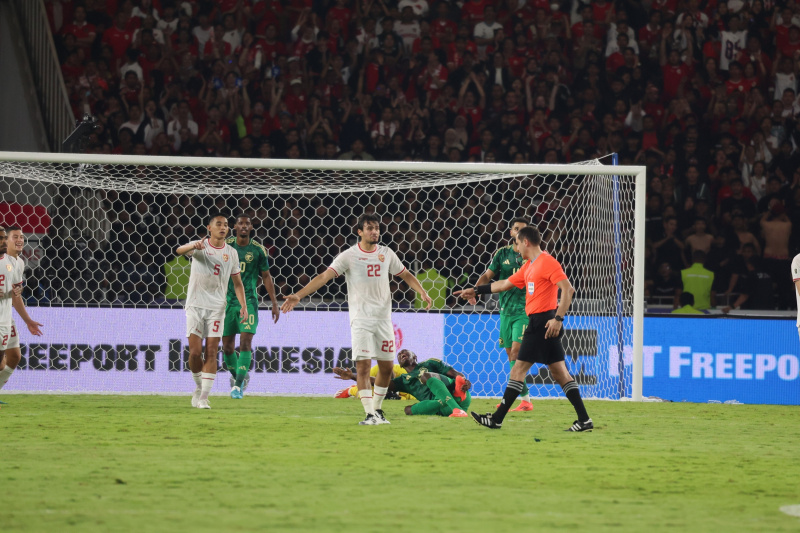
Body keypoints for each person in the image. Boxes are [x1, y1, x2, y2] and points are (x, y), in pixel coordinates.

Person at [281, 213, 433, 425]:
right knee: (362, 367)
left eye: (377, 228)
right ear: (359, 232)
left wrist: (422, 292)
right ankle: (369, 413)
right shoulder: (349, 256)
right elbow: (324, 276)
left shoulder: (386, 253)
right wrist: (299, 294)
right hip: (361, 320)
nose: (375, 232)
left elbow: (405, 274)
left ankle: (378, 410)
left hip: (383, 320)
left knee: (387, 368)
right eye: (370, 228)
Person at [455, 226, 592, 432]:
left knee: (518, 370)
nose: (516, 248)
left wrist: (558, 318)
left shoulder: (547, 262)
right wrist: (475, 290)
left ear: (526, 242)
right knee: (560, 373)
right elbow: (503, 284)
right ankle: (584, 420)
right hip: (541, 322)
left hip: (542, 323)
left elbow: (568, 289)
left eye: (517, 243)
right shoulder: (529, 266)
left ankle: (497, 419)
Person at [175, 214, 248, 410]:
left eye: (225, 225)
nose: (223, 228)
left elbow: (238, 284)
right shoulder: (200, 246)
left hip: (217, 308)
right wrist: (192, 247)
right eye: (219, 224)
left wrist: (244, 306)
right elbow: (179, 250)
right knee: (195, 353)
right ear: (209, 227)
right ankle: (199, 387)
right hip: (195, 306)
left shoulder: (231, 253)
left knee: (212, 352)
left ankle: (204, 398)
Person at [468, 217, 534, 412]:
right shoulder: (502, 254)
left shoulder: (531, 255)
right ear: (511, 233)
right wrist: (475, 291)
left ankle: (515, 399)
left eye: (523, 230)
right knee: (510, 355)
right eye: (516, 229)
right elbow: (488, 276)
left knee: (516, 353)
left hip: (524, 310)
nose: (519, 233)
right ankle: (525, 400)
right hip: (505, 311)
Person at [221, 214, 280, 399]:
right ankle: (239, 377)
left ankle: (237, 387)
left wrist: (274, 303)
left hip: (250, 303)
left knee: (245, 342)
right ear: (235, 227)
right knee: (227, 347)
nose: (244, 226)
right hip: (226, 302)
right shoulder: (226, 245)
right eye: (241, 223)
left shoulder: (258, 250)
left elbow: (266, 277)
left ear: (252, 228)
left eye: (247, 224)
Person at [333, 349, 470, 417]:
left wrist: (465, 382)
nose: (402, 354)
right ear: (399, 363)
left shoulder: (430, 363)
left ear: (414, 357)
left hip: (458, 394)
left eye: (406, 353)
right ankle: (447, 406)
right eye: (400, 355)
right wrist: (352, 376)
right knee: (408, 410)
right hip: (443, 406)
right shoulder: (403, 380)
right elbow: (378, 382)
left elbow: (455, 374)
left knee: (426, 376)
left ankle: (455, 408)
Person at [0, 228, 44, 399]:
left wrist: (28, 320)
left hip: (5, 317)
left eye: (22, 237)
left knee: (15, 357)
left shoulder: (18, 263)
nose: (19, 240)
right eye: (14, 237)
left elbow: (15, 296)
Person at [334, 363, 415, 401]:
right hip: (374, 384)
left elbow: (412, 396)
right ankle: (351, 389)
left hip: (400, 387)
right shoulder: (373, 372)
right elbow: (363, 381)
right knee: (364, 394)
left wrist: (399, 398)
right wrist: (352, 377)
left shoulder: (404, 375)